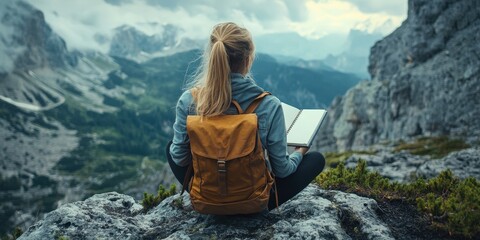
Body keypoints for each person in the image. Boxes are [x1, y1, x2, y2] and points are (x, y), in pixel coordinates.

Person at [167, 22, 325, 210]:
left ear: (211, 56)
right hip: (255, 202)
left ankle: (206, 195)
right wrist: (299, 152)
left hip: (205, 198)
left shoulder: (190, 101)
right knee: (316, 160)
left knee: (171, 147)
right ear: (248, 58)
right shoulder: (268, 105)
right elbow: (282, 171)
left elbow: (179, 159)